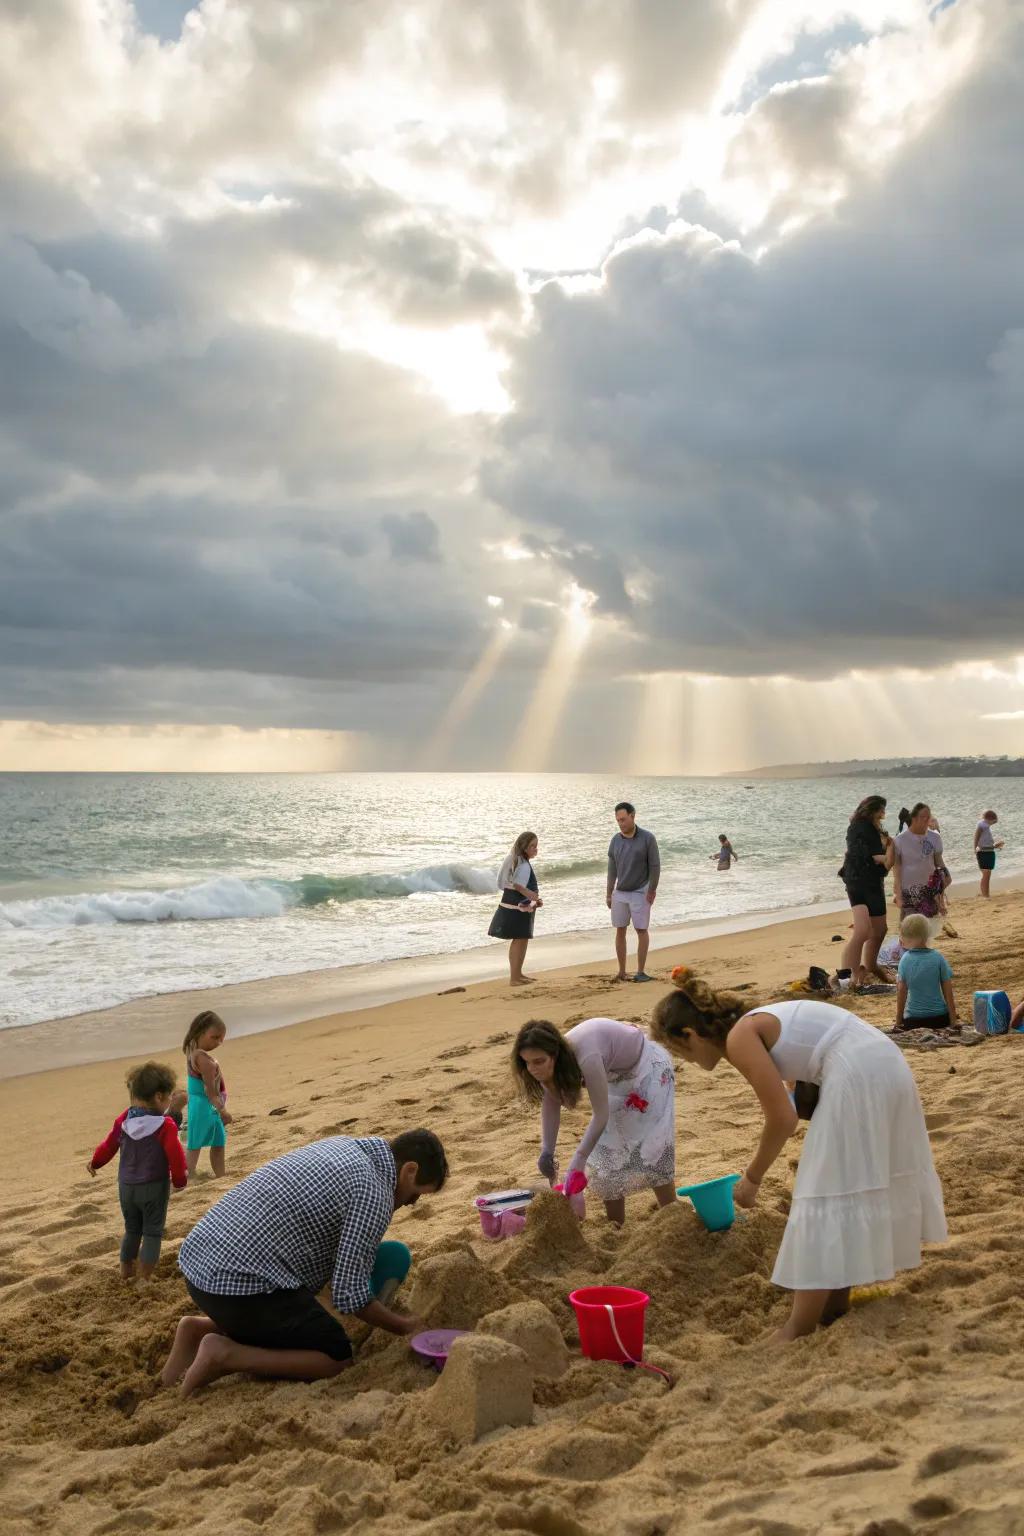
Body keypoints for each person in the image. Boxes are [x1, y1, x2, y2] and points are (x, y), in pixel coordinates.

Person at [651, 969, 946, 1342]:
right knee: (844, 1187)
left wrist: (752, 1179)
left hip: (858, 1072)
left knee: (818, 1196)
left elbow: (782, 1117)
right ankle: (835, 1302)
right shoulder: (758, 1024)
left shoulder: (742, 1037)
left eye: (678, 1051)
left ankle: (798, 1327)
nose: (686, 1061)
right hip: (883, 1063)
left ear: (689, 1035)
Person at [161, 1129, 448, 1396]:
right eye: (415, 1196)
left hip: (200, 1264)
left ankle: (199, 1329)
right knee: (335, 1355)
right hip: (236, 1286)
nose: (410, 1204)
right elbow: (351, 1296)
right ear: (410, 1170)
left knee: (289, 1312)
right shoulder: (375, 1192)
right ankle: (223, 1354)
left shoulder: (345, 1145)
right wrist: (403, 1327)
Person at [512, 1017, 676, 1227]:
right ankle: (615, 1225)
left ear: (556, 1054)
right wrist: (547, 1151)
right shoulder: (549, 1066)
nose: (532, 1069)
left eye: (538, 1061)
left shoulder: (586, 1056)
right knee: (607, 1156)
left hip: (648, 1067)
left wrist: (578, 1162)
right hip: (615, 1075)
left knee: (652, 1146)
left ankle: (671, 1213)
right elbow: (551, 1104)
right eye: (526, 1062)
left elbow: (601, 1115)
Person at [88, 1061, 188, 1280]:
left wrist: (95, 1163)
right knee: (152, 1232)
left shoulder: (124, 1119)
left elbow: (108, 1146)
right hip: (154, 1187)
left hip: (126, 1187)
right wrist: (180, 1181)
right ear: (160, 1097)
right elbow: (176, 1157)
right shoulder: (166, 1125)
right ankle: (144, 1277)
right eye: (170, 1097)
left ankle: (125, 1272)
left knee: (132, 1230)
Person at [839, 796, 894, 989]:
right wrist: (888, 855)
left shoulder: (874, 827)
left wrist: (888, 852)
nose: (883, 814)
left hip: (873, 882)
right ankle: (847, 978)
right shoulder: (859, 827)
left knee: (880, 929)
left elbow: (881, 857)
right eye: (881, 810)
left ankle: (869, 966)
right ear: (872, 810)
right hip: (857, 881)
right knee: (862, 931)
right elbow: (865, 854)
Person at [607, 801, 660, 982]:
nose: (621, 823)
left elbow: (655, 866)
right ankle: (621, 971)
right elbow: (612, 869)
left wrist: (652, 890)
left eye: (623, 819)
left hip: (641, 891)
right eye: (618, 820)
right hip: (620, 893)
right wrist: (609, 893)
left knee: (641, 930)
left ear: (632, 816)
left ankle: (640, 971)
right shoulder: (615, 840)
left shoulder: (648, 838)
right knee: (619, 930)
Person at [488, 831, 542, 986]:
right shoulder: (522, 863)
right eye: (532, 846)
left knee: (521, 939)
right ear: (524, 846)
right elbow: (519, 886)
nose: (535, 849)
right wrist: (532, 896)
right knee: (519, 939)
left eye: (536, 846)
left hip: (512, 903)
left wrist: (534, 900)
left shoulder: (512, 858)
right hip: (518, 906)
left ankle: (518, 974)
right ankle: (515, 978)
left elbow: (500, 884)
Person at [183, 1010, 232, 1177]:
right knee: (199, 1143)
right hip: (206, 1105)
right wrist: (223, 1111)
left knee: (211, 1141)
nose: (219, 1042)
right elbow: (210, 1091)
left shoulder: (193, 1052)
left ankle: (216, 1174)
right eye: (215, 1037)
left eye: (221, 1038)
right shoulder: (204, 1060)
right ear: (200, 1032)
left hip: (199, 1104)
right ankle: (188, 1175)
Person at [895, 914, 957, 1033]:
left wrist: (898, 1021)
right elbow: (948, 992)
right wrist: (953, 1020)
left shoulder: (905, 960)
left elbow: (901, 992)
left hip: (913, 1021)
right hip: (940, 1019)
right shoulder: (938, 957)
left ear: (908, 938)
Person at [893, 803, 946, 926]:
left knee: (928, 927)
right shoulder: (899, 840)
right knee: (909, 927)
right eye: (924, 817)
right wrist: (898, 894)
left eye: (929, 816)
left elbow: (939, 864)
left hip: (929, 890)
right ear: (914, 818)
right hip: (908, 891)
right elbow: (897, 869)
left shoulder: (935, 837)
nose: (927, 819)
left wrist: (941, 898)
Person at [974, 810, 1003, 899]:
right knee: (986, 874)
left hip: (988, 852)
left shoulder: (986, 826)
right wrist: (974, 848)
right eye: (993, 822)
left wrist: (996, 845)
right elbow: (976, 836)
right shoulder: (982, 825)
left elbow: (986, 842)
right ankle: (985, 895)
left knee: (987, 874)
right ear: (989, 819)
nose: (993, 824)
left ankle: (986, 894)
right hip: (983, 853)